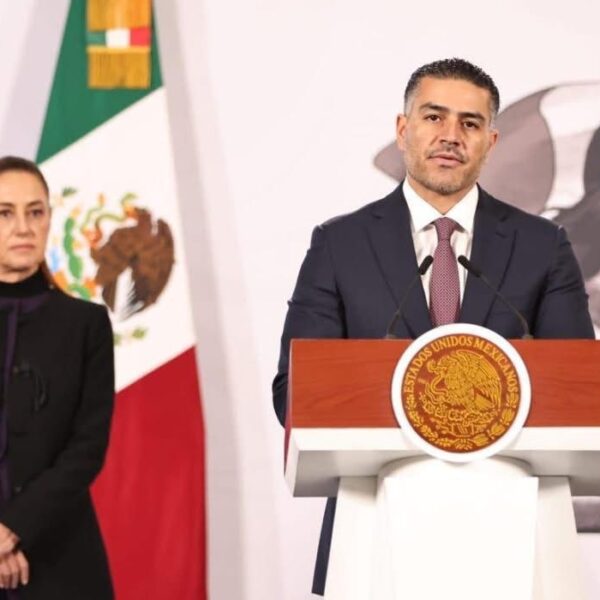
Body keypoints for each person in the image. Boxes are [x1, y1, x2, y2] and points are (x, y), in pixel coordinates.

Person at [272, 58, 595, 595]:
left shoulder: (543, 246)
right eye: (433, 117)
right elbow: (294, 393)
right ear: (403, 130)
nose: (450, 135)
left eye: (470, 123)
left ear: (491, 142)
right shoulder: (340, 244)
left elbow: (578, 393)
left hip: (514, 534)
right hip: (375, 526)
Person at [0, 156, 114, 598]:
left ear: (49, 218)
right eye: (5, 213)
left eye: (35, 212)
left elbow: (87, 447)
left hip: (61, 557)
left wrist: (12, 528)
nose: (23, 227)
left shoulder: (85, 324)